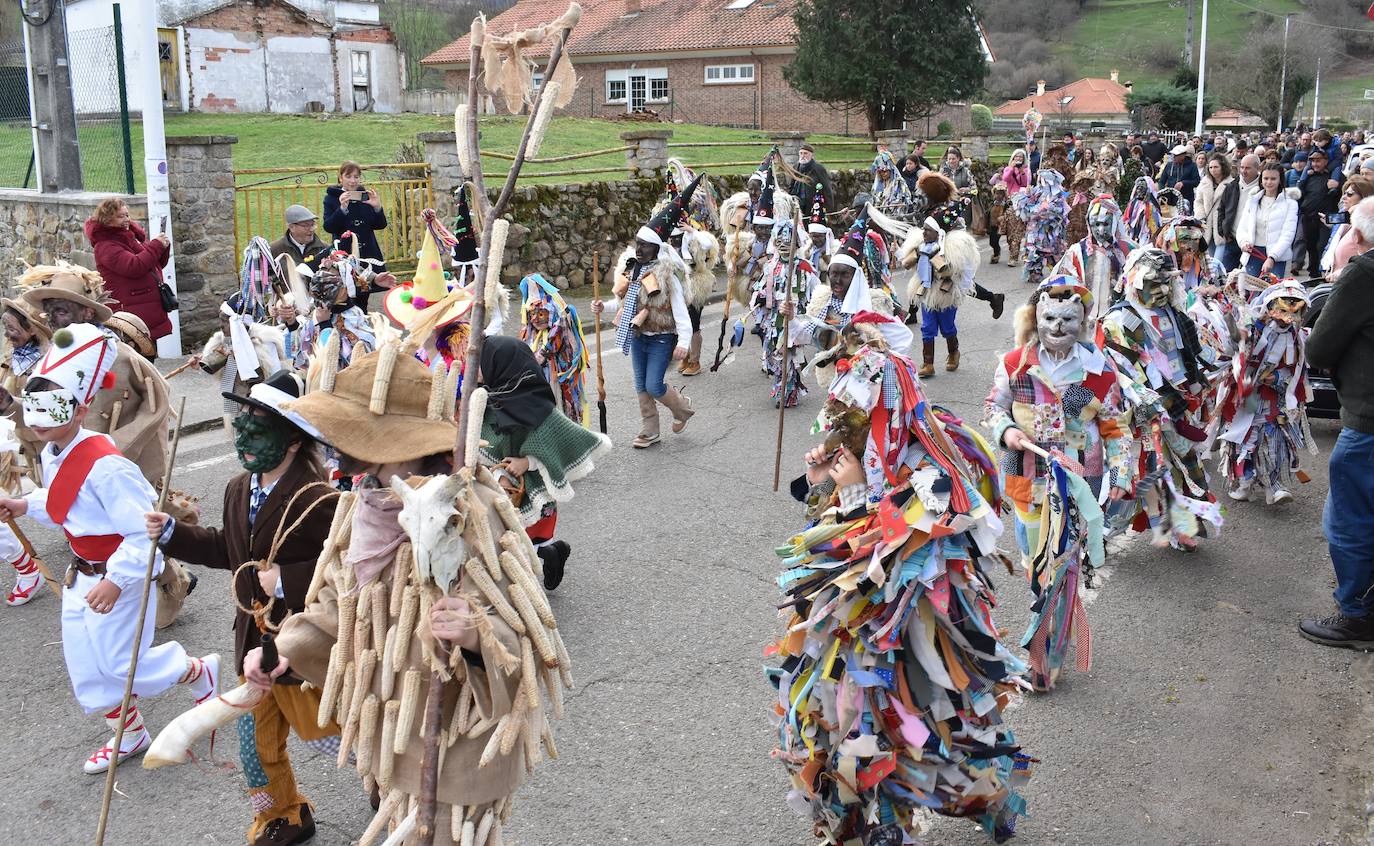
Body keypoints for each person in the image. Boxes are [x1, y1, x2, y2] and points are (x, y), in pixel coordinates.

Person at [245, 346, 569, 844]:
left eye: (365, 445)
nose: (351, 460)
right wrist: (280, 649)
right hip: (396, 740)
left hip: (458, 744)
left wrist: (477, 636)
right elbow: (343, 603)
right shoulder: (365, 505)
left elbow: (524, 636)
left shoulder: (473, 512)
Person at [771, 311, 1032, 845]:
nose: (837, 419)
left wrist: (858, 488)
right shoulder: (852, 449)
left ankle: (991, 794)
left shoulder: (928, 461)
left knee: (938, 718)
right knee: (855, 714)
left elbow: (899, 546)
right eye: (837, 407)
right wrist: (827, 485)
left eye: (852, 408)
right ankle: (882, 819)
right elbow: (830, 537)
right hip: (854, 626)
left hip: (916, 622)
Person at [0, 323, 218, 774]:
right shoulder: (55, 452)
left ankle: (198, 671)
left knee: (121, 664)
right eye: (35, 409)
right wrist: (24, 504)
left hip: (116, 577)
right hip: (81, 575)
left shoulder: (108, 467)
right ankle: (131, 734)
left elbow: (146, 534)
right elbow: (67, 503)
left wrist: (118, 582)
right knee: (86, 662)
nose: (40, 421)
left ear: (79, 411)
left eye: (53, 409)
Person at [146, 369, 338, 845]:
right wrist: (173, 533)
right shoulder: (238, 488)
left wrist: (287, 581)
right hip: (253, 644)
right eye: (244, 419)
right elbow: (227, 550)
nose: (245, 432)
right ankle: (284, 814)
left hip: (300, 647)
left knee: (337, 734)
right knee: (255, 747)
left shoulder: (318, 498)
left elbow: (345, 568)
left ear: (292, 442)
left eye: (260, 422)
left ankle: (388, 782)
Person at [16, 264, 195, 628]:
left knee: (137, 530)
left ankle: (169, 579)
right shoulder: (55, 358)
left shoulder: (121, 355)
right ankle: (110, 587)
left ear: (86, 312)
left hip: (117, 458)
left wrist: (118, 444)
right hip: (75, 453)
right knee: (92, 530)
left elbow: (157, 403)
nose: (53, 318)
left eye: (62, 310)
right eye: (49, 311)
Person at [984, 279, 1131, 690]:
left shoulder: (1099, 371)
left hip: (1077, 484)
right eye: (1049, 317)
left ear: (1083, 321)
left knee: (1061, 564)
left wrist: (1120, 473)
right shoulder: (1014, 363)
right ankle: (1048, 637)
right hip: (1026, 480)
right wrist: (1006, 429)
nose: (1058, 326)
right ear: (1035, 318)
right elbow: (991, 407)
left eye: (1068, 318)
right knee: (1037, 563)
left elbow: (1116, 425)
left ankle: (1046, 652)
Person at [1098, 248, 1221, 551]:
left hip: (1176, 406)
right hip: (1139, 413)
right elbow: (1119, 371)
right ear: (1136, 282)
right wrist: (1144, 400)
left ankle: (1183, 525)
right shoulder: (1119, 320)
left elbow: (1196, 357)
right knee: (1140, 469)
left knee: (1187, 462)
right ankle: (1103, 527)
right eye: (1155, 283)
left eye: (1167, 282)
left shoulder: (1176, 316)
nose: (1163, 290)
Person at [477, 335, 610, 591]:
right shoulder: (488, 398)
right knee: (509, 540)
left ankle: (550, 555)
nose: (477, 370)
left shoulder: (536, 405)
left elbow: (558, 440)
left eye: (482, 364)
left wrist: (527, 462)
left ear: (500, 366)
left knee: (528, 541)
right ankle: (546, 555)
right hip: (503, 486)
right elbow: (483, 437)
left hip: (534, 486)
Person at [1300, 196, 1374, 649]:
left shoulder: (1364, 273)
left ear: (1359, 235)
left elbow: (1318, 349)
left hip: (1367, 422)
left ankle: (1356, 616)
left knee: (1347, 521)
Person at [591, 177, 697, 448]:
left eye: (645, 246)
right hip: (638, 336)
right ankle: (650, 431)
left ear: (656, 248)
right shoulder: (631, 271)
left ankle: (682, 408)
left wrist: (684, 343)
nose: (639, 250)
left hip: (661, 338)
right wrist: (604, 307)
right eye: (637, 244)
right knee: (641, 386)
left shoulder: (666, 275)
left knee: (653, 385)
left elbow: (681, 313)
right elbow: (624, 305)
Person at [1211, 281, 1315, 506]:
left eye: (1294, 311)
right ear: (1271, 307)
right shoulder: (1256, 328)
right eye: (1283, 310)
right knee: (1244, 435)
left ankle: (1274, 485)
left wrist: (1276, 379)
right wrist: (1232, 324)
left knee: (1275, 436)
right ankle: (1244, 482)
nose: (1287, 317)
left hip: (1275, 395)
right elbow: (1236, 346)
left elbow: (1295, 370)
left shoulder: (1298, 337)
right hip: (1249, 393)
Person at [0, 297, 48, 604]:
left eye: (12, 328)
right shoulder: (13, 357)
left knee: (65, 497)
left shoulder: (45, 361)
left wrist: (10, 405)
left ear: (31, 329)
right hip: (25, 441)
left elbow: (43, 410)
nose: (7, 334)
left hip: (48, 438)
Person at [83, 198, 172, 341]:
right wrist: (155, 246)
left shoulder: (129, 237)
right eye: (120, 216)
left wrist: (163, 247)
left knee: (147, 351)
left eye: (127, 215)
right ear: (107, 220)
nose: (126, 219)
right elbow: (134, 266)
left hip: (143, 305)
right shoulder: (105, 246)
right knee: (137, 353)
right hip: (130, 309)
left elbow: (154, 264)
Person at [199, 292, 287, 435]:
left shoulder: (264, 342)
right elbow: (211, 368)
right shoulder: (223, 342)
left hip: (261, 407)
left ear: (238, 323)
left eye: (225, 321)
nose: (220, 325)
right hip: (237, 403)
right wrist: (201, 361)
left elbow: (271, 377)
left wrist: (236, 356)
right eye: (220, 319)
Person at [1052, 195, 1136, 322]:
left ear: (1115, 222)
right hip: (1085, 320)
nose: (1101, 230)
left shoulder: (1129, 251)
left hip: (1119, 320)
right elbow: (1063, 284)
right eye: (1096, 224)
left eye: (1106, 224)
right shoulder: (1077, 252)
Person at [517, 274, 587, 422]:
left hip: (557, 377)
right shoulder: (529, 334)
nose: (535, 319)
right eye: (532, 313)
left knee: (563, 408)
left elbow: (553, 347)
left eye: (541, 313)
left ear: (552, 311)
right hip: (538, 382)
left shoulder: (561, 327)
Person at [322, 161, 388, 311]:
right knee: (346, 294)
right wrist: (342, 209)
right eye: (348, 176)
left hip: (367, 253)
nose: (353, 181)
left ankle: (362, 324)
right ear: (340, 178)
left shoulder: (365, 197)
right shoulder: (331, 198)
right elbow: (328, 227)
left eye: (356, 177)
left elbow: (380, 225)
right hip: (345, 254)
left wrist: (377, 207)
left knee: (364, 293)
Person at [1237, 162, 1299, 278]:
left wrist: (1272, 257)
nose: (1269, 182)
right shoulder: (1252, 200)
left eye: (1273, 179)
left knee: (1271, 292)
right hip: (1253, 253)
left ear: (1280, 180)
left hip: (1276, 256)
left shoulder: (1290, 203)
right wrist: (1243, 242)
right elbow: (1243, 227)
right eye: (1266, 178)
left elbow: (1288, 234)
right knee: (1251, 292)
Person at [1014, 167, 1071, 286]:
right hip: (1035, 229)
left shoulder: (1057, 194)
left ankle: (1058, 272)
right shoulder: (1037, 191)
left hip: (1051, 230)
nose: (1041, 181)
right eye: (1040, 178)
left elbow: (1059, 210)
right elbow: (1026, 206)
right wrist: (1026, 196)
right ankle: (1035, 272)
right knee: (1034, 251)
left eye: (1043, 179)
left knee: (1054, 251)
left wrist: (1042, 211)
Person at [1298, 147, 1344, 278]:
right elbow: (1300, 192)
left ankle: (1322, 270)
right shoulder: (1309, 176)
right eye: (1312, 161)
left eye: (1318, 160)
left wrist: (1336, 186)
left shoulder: (1336, 176)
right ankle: (1313, 271)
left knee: (1322, 245)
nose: (1315, 164)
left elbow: (1345, 192)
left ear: (1326, 161)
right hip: (1309, 216)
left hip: (1328, 218)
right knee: (1310, 244)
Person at [1321, 176, 1374, 280]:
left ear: (1364, 197)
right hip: (1337, 279)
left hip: (1355, 283)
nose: (1344, 197)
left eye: (1349, 194)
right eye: (1344, 193)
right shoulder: (1344, 223)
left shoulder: (1367, 226)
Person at [1216, 154, 1261, 271]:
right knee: (1226, 277)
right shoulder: (1231, 186)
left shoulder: (1262, 188)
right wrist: (1223, 231)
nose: (1244, 171)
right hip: (1232, 239)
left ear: (1257, 168)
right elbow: (1221, 209)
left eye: (1248, 168)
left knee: (1249, 279)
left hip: (1253, 243)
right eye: (1242, 167)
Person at [1195, 153, 1233, 260]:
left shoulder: (1230, 183)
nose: (1213, 170)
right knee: (1210, 259)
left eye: (1216, 167)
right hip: (1206, 224)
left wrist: (1227, 226)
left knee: (1218, 261)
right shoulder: (1204, 182)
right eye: (1210, 167)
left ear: (1223, 167)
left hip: (1221, 227)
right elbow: (1198, 201)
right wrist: (1201, 217)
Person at [269, 204, 328, 268]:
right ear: (291, 227)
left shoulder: (325, 248)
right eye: (306, 226)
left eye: (312, 225)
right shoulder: (275, 249)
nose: (311, 229)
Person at [788, 143, 830, 212]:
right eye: (801, 153)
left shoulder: (818, 168)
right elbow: (791, 184)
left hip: (813, 203)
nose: (803, 156)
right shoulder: (796, 167)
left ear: (811, 155)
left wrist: (829, 209)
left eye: (805, 153)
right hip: (797, 201)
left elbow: (826, 189)